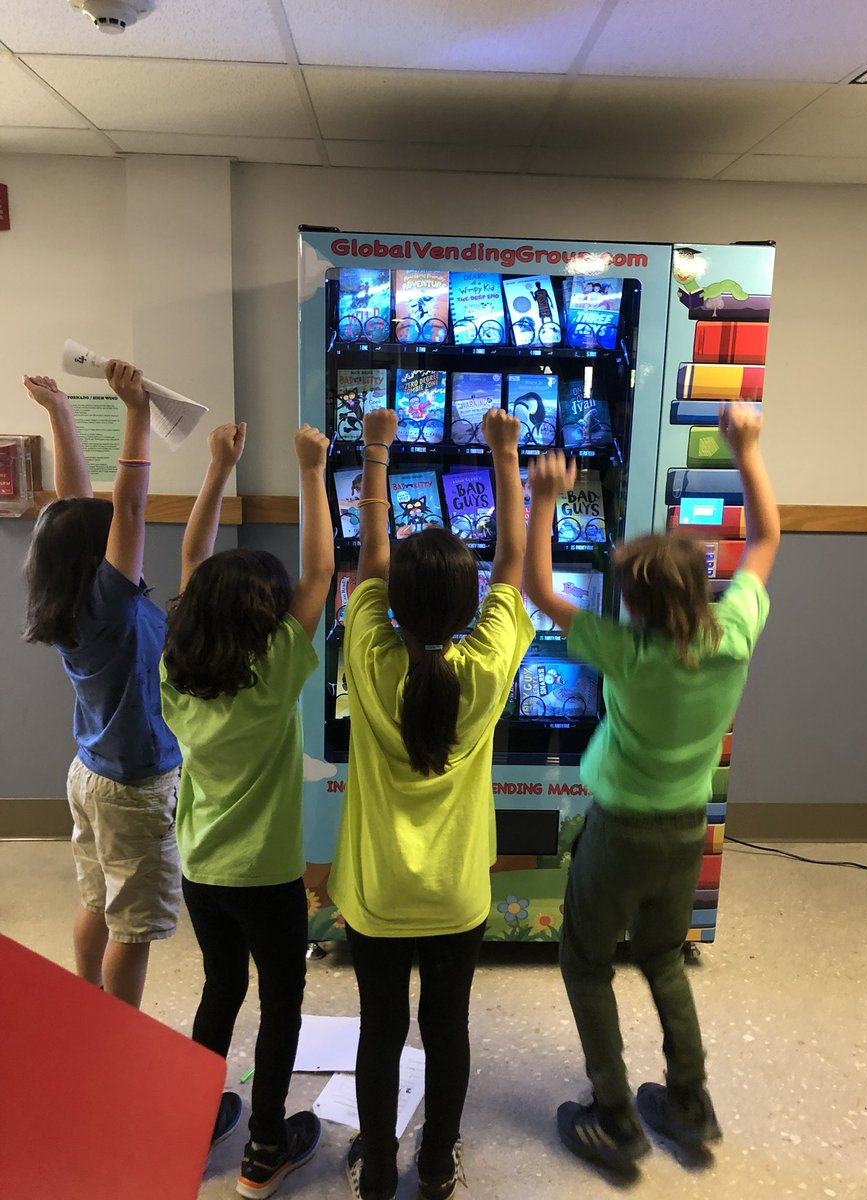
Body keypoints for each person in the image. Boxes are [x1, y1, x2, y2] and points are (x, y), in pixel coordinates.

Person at [523, 400, 779, 1169]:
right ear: (699, 589)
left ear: (631, 605)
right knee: (665, 958)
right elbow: (767, 537)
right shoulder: (730, 635)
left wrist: (542, 501)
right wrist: (747, 448)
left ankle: (614, 1116)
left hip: (619, 831)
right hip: (684, 829)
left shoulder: (625, 650)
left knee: (585, 959)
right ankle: (689, 1103)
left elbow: (539, 586)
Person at [329, 405, 534, 1200]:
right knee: (448, 1030)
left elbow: (368, 561)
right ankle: (439, 1163)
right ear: (471, 599)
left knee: (379, 1031)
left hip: (377, 897)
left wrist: (375, 452)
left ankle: (376, 1169)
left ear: (391, 606)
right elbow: (514, 558)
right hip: (458, 896)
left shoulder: (371, 653)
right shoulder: (484, 666)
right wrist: (505, 454)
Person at [160, 422, 333, 1198]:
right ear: (268, 619)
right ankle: (266, 1147)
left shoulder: (177, 665)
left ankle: (193, 1122)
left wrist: (218, 470)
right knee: (281, 1002)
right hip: (267, 877)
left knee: (220, 989)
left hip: (200, 868)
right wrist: (310, 471)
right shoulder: (275, 672)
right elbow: (323, 568)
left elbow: (193, 566)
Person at [22, 365, 182, 1009]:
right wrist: (136, 411)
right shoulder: (111, 605)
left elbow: (75, 503)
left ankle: (86, 1008)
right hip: (134, 787)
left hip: (90, 772)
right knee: (133, 926)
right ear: (102, 552)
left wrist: (60, 413)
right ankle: (122, 1032)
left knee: (97, 898)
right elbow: (132, 504)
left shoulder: (69, 596)